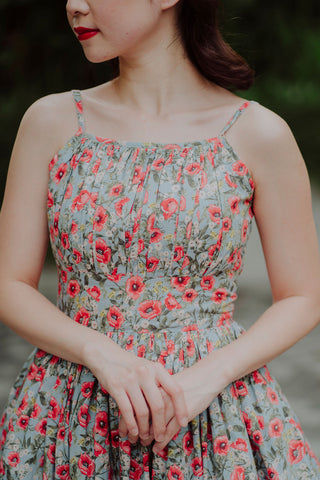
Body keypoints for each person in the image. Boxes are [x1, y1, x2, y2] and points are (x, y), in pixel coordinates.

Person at [0, 0, 320, 478]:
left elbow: (303, 296)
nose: (74, 6)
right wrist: (101, 354)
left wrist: (204, 380)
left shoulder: (259, 133)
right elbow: (8, 283)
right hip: (66, 410)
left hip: (212, 414)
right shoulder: (51, 121)